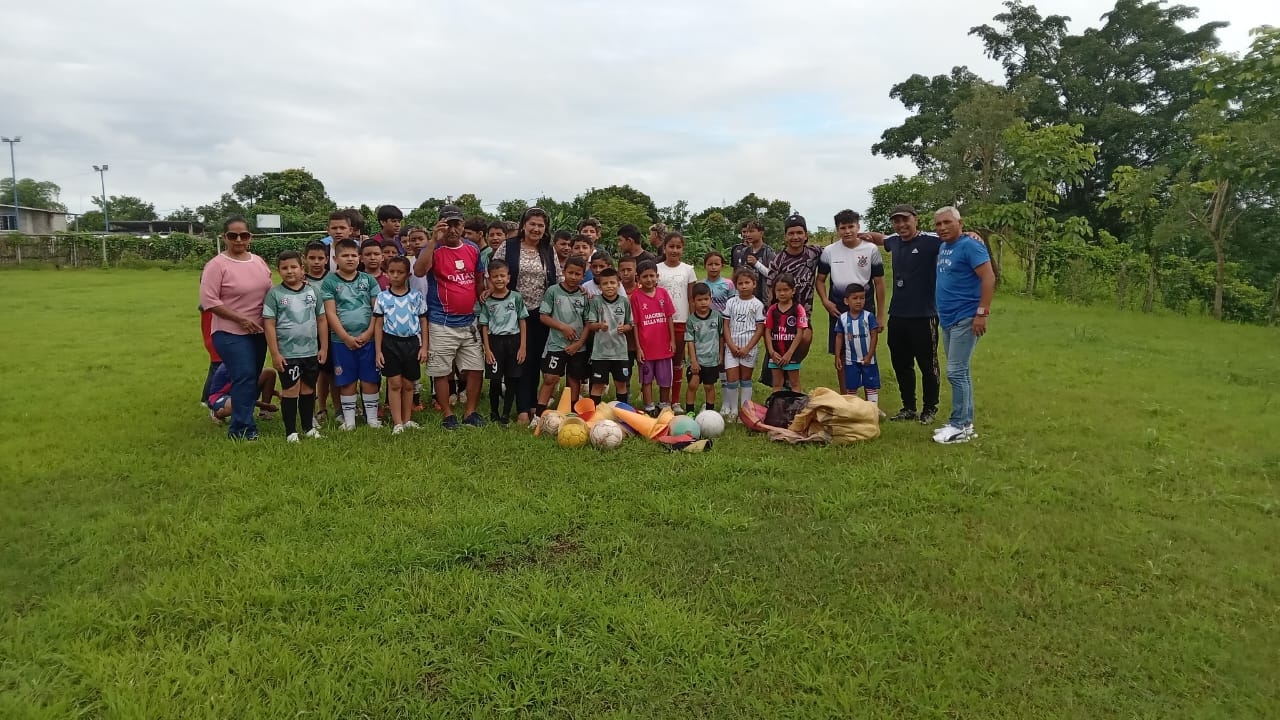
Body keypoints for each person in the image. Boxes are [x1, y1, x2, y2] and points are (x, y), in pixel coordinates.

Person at [859, 204, 943, 424]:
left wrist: (970, 235)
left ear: (916, 219)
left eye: (905, 220)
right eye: (896, 221)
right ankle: (909, 407)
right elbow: (880, 238)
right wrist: (860, 235)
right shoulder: (895, 241)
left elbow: (954, 236)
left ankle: (929, 408)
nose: (901, 224)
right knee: (901, 363)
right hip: (898, 314)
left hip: (924, 314)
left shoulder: (931, 240)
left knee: (928, 364)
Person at [199, 216, 273, 440]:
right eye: (233, 235)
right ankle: (241, 429)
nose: (239, 240)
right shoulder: (216, 265)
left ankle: (244, 419)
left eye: (244, 235)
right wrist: (241, 320)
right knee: (244, 375)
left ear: (251, 237)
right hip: (229, 332)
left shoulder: (258, 262)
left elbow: (270, 292)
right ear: (224, 237)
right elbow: (209, 301)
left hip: (258, 331)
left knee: (251, 377)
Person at [413, 204, 487, 429]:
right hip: (441, 321)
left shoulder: (473, 248)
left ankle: (470, 412)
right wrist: (433, 240)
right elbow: (419, 271)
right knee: (441, 371)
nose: (453, 230)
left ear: (463, 226)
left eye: (457, 224)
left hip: (469, 320)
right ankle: (447, 413)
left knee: (476, 368)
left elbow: (478, 279)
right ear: (439, 225)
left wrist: (483, 299)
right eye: (448, 225)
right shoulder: (432, 249)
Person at [932, 206, 995, 444]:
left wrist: (982, 313)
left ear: (960, 223)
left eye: (947, 222)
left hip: (966, 317)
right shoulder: (944, 246)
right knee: (961, 371)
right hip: (948, 318)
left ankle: (959, 425)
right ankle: (965, 423)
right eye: (938, 224)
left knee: (955, 372)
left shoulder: (970, 245)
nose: (942, 228)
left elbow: (989, 277)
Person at [493, 207, 561, 427]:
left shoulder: (548, 249)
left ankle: (533, 405)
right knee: (519, 359)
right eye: (532, 224)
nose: (536, 229)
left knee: (534, 360)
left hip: (540, 313)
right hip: (512, 312)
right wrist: (489, 291)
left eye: (541, 225)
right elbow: (493, 271)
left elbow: (558, 278)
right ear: (524, 225)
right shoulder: (509, 246)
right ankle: (522, 409)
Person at [816, 210, 886, 394]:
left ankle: (870, 400)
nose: (847, 231)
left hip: (865, 309)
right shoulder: (829, 251)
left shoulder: (871, 249)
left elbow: (879, 283)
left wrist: (880, 315)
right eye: (842, 228)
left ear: (858, 227)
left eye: (851, 227)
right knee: (841, 353)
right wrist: (825, 301)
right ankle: (846, 398)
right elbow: (820, 280)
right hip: (838, 309)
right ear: (837, 229)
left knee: (867, 350)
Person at [263, 250, 328, 442]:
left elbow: (322, 320)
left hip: (310, 352)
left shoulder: (313, 291)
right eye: (285, 268)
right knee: (291, 391)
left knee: (308, 390)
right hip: (288, 354)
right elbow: (269, 324)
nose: (290, 271)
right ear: (279, 271)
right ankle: (291, 432)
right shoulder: (274, 294)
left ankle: (308, 427)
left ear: (302, 269)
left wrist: (324, 347)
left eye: (294, 267)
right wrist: (275, 354)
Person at [322, 238, 382, 430]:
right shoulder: (329, 282)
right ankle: (349, 421)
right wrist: (346, 337)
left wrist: (369, 332)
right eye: (345, 255)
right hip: (341, 341)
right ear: (335, 259)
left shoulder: (369, 280)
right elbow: (330, 313)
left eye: (353, 255)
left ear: (359, 258)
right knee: (346, 380)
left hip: (369, 340)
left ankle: (372, 419)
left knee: (370, 379)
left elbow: (377, 310)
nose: (350, 259)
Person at [764, 213, 822, 386]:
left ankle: (791, 368)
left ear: (806, 235)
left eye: (799, 233)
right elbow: (770, 290)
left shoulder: (814, 253)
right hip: (781, 314)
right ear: (785, 236)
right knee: (778, 344)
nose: (795, 237)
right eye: (791, 233)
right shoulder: (778, 261)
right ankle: (780, 376)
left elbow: (838, 249)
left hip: (803, 313)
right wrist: (771, 315)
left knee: (805, 338)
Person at [373, 255, 429, 434]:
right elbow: (378, 325)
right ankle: (397, 423)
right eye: (392, 272)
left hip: (411, 344)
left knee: (408, 384)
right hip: (390, 344)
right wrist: (378, 351)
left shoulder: (416, 296)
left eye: (400, 272)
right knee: (395, 383)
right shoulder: (382, 297)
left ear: (408, 275)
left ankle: (407, 419)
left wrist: (424, 347)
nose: (396, 275)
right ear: (386, 273)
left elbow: (423, 321)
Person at [536, 256, 591, 416]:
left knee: (574, 379)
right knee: (550, 378)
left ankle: (572, 413)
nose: (573, 277)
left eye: (577, 274)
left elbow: (588, 323)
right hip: (557, 344)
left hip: (577, 347)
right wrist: (563, 327)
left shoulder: (584, 295)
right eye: (570, 272)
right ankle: (539, 415)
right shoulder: (553, 291)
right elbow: (543, 316)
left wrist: (579, 344)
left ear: (583, 275)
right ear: (564, 272)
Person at [478, 259, 528, 425]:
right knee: (495, 379)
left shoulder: (516, 297)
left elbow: (522, 321)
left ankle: (506, 413)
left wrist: (522, 347)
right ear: (490, 279)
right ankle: (494, 412)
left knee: (512, 379)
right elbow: (484, 325)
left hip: (513, 341)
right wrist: (487, 349)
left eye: (502, 276)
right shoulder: (488, 301)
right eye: (495, 276)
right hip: (495, 342)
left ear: (508, 277)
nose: (499, 279)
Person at [657, 231, 698, 412]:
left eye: (678, 247)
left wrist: (693, 321)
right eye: (671, 246)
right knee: (662, 362)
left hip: (681, 321)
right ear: (664, 248)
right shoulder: (656, 269)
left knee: (677, 361)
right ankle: (663, 401)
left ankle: (675, 401)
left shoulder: (688, 270)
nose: (674, 250)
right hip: (659, 323)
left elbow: (691, 298)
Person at [629, 260, 675, 415]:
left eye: (651, 276)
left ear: (657, 276)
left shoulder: (663, 293)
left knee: (665, 379)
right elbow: (635, 324)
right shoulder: (635, 297)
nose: (649, 279)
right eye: (645, 276)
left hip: (664, 346)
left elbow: (669, 317)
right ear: (638, 279)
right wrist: (638, 348)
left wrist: (672, 340)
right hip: (646, 348)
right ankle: (649, 407)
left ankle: (664, 406)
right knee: (646, 379)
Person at [721, 267, 766, 421]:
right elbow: (726, 325)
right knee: (732, 379)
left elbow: (760, 329)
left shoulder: (757, 304)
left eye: (747, 283)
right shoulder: (731, 302)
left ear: (754, 284)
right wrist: (731, 345)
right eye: (740, 283)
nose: (744, 286)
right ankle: (733, 411)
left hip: (749, 348)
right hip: (732, 347)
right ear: (736, 285)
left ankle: (745, 412)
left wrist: (747, 348)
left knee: (745, 379)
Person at [587, 267, 633, 407]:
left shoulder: (624, 301)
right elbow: (590, 325)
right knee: (597, 385)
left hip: (620, 353)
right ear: (600, 286)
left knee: (621, 384)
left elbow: (630, 324)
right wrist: (600, 325)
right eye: (605, 283)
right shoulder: (596, 301)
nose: (609, 286)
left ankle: (623, 414)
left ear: (618, 284)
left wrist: (625, 328)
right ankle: (594, 414)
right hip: (600, 353)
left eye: (612, 283)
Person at [833, 283, 882, 413]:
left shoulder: (868, 316)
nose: (859, 301)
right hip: (851, 360)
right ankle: (853, 412)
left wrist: (870, 355)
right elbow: (839, 337)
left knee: (871, 385)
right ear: (846, 301)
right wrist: (837, 356)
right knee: (851, 386)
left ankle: (872, 411)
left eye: (862, 298)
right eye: (855, 298)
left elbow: (874, 335)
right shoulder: (842, 318)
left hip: (868, 359)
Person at [765, 273, 811, 393]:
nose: (782, 293)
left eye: (785, 290)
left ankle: (796, 404)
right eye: (779, 290)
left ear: (793, 291)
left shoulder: (798, 309)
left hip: (792, 354)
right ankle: (777, 404)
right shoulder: (772, 310)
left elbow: (800, 333)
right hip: (776, 354)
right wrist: (771, 352)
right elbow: (767, 331)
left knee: (794, 383)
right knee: (777, 384)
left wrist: (789, 353)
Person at [684, 283, 723, 413]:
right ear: (693, 301)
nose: (703, 303)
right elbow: (690, 341)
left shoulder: (717, 316)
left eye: (706, 299)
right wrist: (693, 361)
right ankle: (690, 412)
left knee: (709, 386)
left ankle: (710, 413)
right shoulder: (691, 320)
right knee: (692, 385)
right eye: (699, 300)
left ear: (711, 299)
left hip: (712, 360)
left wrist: (721, 354)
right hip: (697, 361)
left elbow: (721, 336)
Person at [207, 364, 278, 423]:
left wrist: (278, 394)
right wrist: (267, 405)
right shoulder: (234, 366)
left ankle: (264, 413)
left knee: (269, 372)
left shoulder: (247, 362)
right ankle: (216, 413)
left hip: (236, 392)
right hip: (220, 396)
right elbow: (241, 396)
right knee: (237, 404)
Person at [728, 218, 775, 304]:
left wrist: (756, 263)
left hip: (763, 298)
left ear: (761, 233)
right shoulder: (744, 251)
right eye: (747, 232)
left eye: (751, 231)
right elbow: (739, 274)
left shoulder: (768, 252)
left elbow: (772, 275)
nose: (748, 234)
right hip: (745, 298)